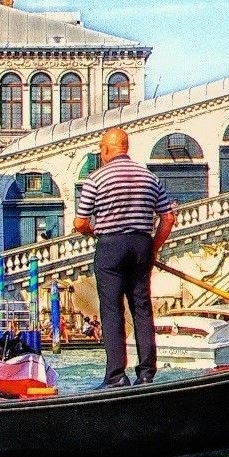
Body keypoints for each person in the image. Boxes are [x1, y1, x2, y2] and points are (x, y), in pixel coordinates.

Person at [73, 125, 175, 388]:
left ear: (106, 149)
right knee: (141, 307)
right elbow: (168, 217)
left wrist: (97, 232)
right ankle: (146, 374)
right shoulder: (148, 177)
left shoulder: (95, 179)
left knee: (112, 310)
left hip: (110, 247)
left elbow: (80, 223)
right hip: (141, 245)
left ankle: (117, 375)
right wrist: (153, 247)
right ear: (125, 148)